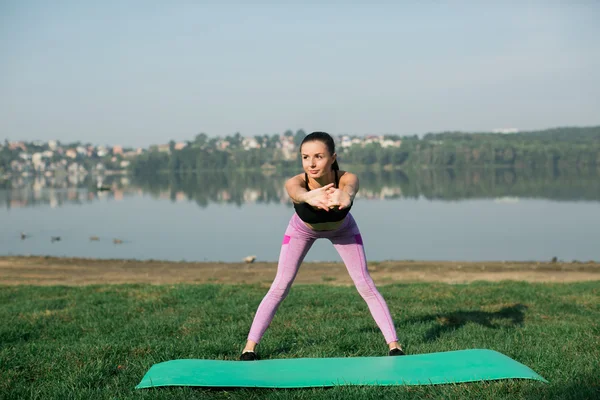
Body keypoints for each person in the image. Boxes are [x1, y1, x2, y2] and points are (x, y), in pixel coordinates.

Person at [240, 131, 404, 361]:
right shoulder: (296, 182)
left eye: (318, 156)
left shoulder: (346, 178)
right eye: (305, 157)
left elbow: (350, 188)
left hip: (343, 230)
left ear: (333, 157)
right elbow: (295, 192)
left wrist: (345, 197)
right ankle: (249, 348)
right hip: (301, 231)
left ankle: (394, 346)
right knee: (280, 286)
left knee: (365, 283)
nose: (312, 163)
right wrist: (309, 197)